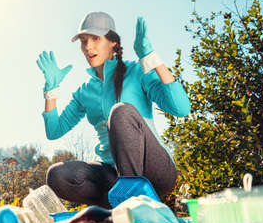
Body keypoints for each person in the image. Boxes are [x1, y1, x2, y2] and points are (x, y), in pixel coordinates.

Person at [36, 12, 190, 209]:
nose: (88, 47)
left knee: (120, 112)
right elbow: (54, 131)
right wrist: (51, 90)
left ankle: (134, 205)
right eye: (83, 41)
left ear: (113, 44)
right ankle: (121, 207)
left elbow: (181, 108)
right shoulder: (85, 92)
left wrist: (150, 57)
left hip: (155, 171)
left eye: (95, 39)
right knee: (57, 175)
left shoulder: (136, 72)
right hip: (112, 176)